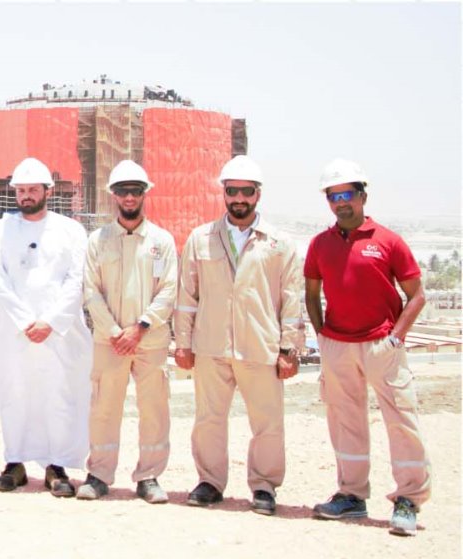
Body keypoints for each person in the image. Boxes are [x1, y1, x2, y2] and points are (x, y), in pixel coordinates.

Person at [173, 155, 305, 516]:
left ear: (258, 194)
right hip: (211, 345)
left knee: (267, 423)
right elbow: (187, 295)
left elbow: (291, 300)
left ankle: (264, 486)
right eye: (232, 191)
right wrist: (182, 342)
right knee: (208, 419)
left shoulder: (279, 243)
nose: (239, 199)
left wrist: (289, 348)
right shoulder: (202, 239)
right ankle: (210, 482)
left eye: (246, 192)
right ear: (224, 193)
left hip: (259, 346)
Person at [305, 158, 430, 536]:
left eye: (347, 195)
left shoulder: (388, 241)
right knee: (346, 422)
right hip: (338, 346)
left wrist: (397, 337)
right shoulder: (320, 244)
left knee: (401, 420)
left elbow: (417, 295)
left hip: (381, 345)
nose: (341, 203)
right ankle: (351, 495)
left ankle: (408, 500)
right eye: (333, 196)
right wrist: (322, 336)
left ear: (362, 196)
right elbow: (311, 293)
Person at [0, 157, 93, 497]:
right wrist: (24, 320)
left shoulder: (71, 230)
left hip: (58, 334)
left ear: (49, 191)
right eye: (21, 190)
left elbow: (77, 279)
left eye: (33, 189)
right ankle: (14, 463)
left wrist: (51, 321)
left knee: (57, 395)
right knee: (13, 393)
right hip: (12, 333)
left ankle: (56, 466)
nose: (26, 195)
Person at [78, 160, 177, 504]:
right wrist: (114, 331)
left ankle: (149, 476)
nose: (129, 197)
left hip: (150, 340)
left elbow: (169, 290)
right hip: (110, 341)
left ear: (144, 193)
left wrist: (141, 327)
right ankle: (99, 474)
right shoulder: (98, 241)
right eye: (123, 191)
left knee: (154, 408)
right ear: (114, 195)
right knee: (104, 407)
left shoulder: (162, 241)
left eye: (135, 190)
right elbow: (90, 290)